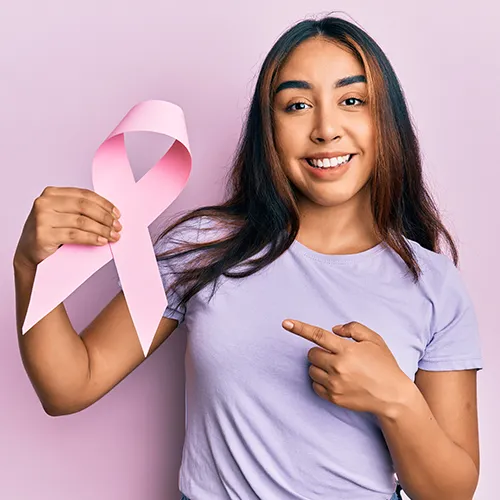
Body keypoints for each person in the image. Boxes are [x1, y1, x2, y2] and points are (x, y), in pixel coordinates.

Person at [13, 14, 483, 500]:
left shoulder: (433, 284)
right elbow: (70, 385)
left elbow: (451, 493)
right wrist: (31, 267)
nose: (325, 129)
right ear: (268, 128)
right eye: (297, 105)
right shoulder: (203, 246)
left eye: (351, 100)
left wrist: (397, 401)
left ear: (386, 120)